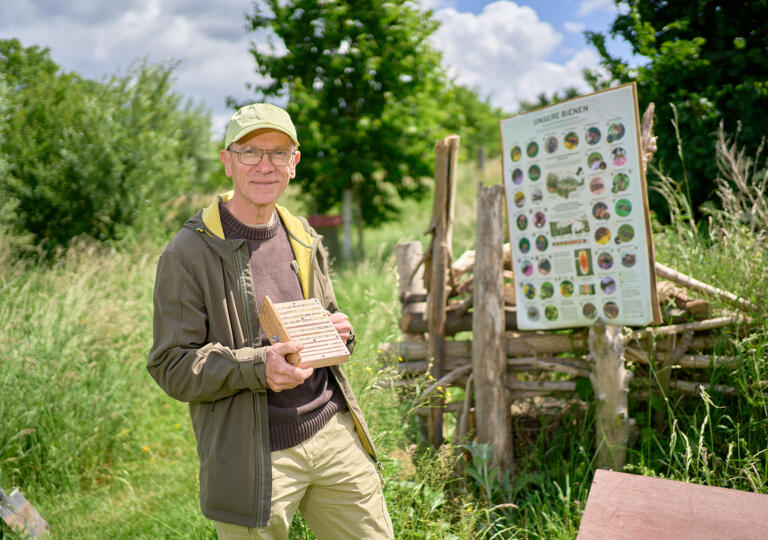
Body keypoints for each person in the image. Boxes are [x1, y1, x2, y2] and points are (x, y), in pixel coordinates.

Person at [147, 103, 393, 539]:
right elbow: (171, 365)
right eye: (250, 152)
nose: (265, 165)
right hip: (252, 454)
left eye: (278, 153)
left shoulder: (302, 233)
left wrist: (339, 333)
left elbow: (325, 314)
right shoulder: (188, 253)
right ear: (227, 161)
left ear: (293, 163)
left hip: (332, 430)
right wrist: (259, 367)